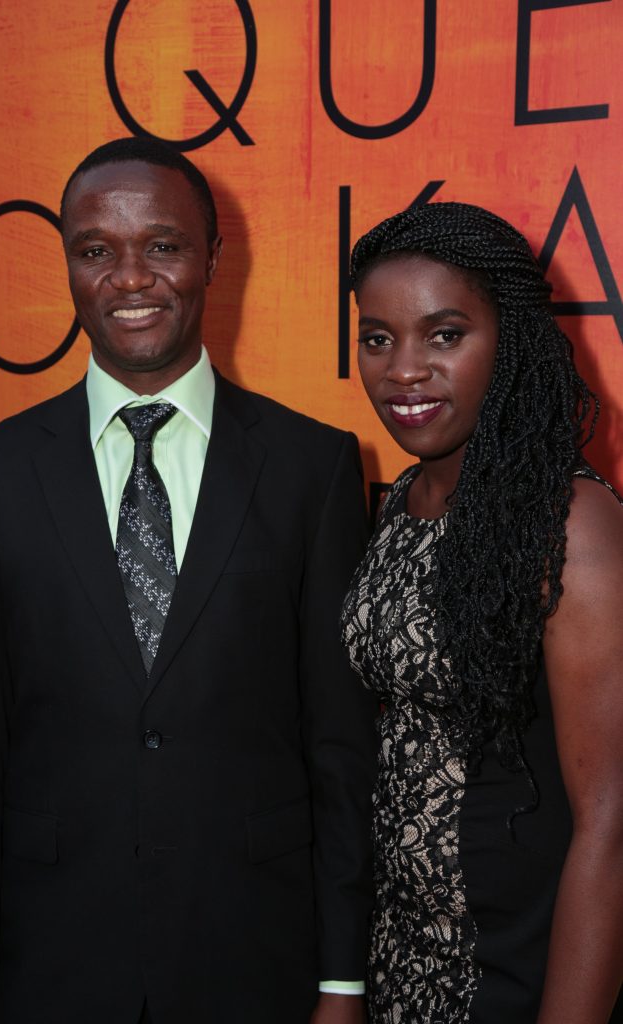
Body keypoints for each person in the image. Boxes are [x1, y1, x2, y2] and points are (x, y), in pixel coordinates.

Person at [0, 137, 377, 1024]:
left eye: (163, 246)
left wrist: (341, 981)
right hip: (48, 970)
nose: (129, 278)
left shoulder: (313, 467)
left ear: (213, 258)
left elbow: (339, 746)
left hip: (257, 962)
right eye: (95, 249)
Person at [340, 201, 623, 1023]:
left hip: (512, 971)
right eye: (377, 337)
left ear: (510, 344)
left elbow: (610, 820)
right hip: (398, 962)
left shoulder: (571, 524)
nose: (402, 371)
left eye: (443, 334)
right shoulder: (403, 499)